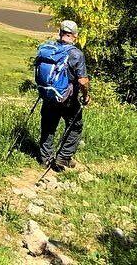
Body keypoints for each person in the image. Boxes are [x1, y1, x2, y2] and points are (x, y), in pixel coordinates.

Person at [35, 19, 90, 172]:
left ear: (60, 33)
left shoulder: (48, 48)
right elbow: (83, 81)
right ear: (75, 36)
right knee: (75, 125)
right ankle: (63, 157)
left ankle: (45, 159)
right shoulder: (76, 54)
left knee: (48, 126)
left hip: (48, 94)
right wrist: (86, 96)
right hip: (67, 98)